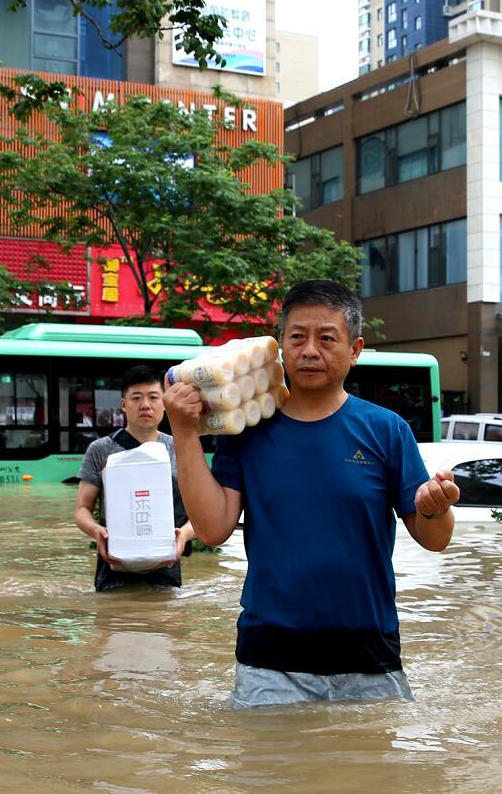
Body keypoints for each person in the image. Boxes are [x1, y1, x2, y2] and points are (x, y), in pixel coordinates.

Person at [164, 279, 461, 708]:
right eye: (297, 337)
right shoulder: (246, 431)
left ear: (355, 349)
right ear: (280, 343)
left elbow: (436, 540)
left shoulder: (386, 429)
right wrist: (185, 432)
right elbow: (212, 530)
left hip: (369, 657)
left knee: (375, 773)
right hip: (270, 660)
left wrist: (435, 509)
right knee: (268, 773)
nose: (309, 351)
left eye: (327, 339)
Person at [74, 365, 197, 592]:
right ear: (123, 405)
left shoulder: (183, 449)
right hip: (113, 564)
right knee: (114, 621)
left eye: (153, 397)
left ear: (165, 402)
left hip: (166, 565)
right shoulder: (100, 449)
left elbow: (201, 511)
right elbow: (82, 508)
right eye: (136, 398)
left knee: (167, 623)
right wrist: (97, 532)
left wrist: (185, 535)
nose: (145, 405)